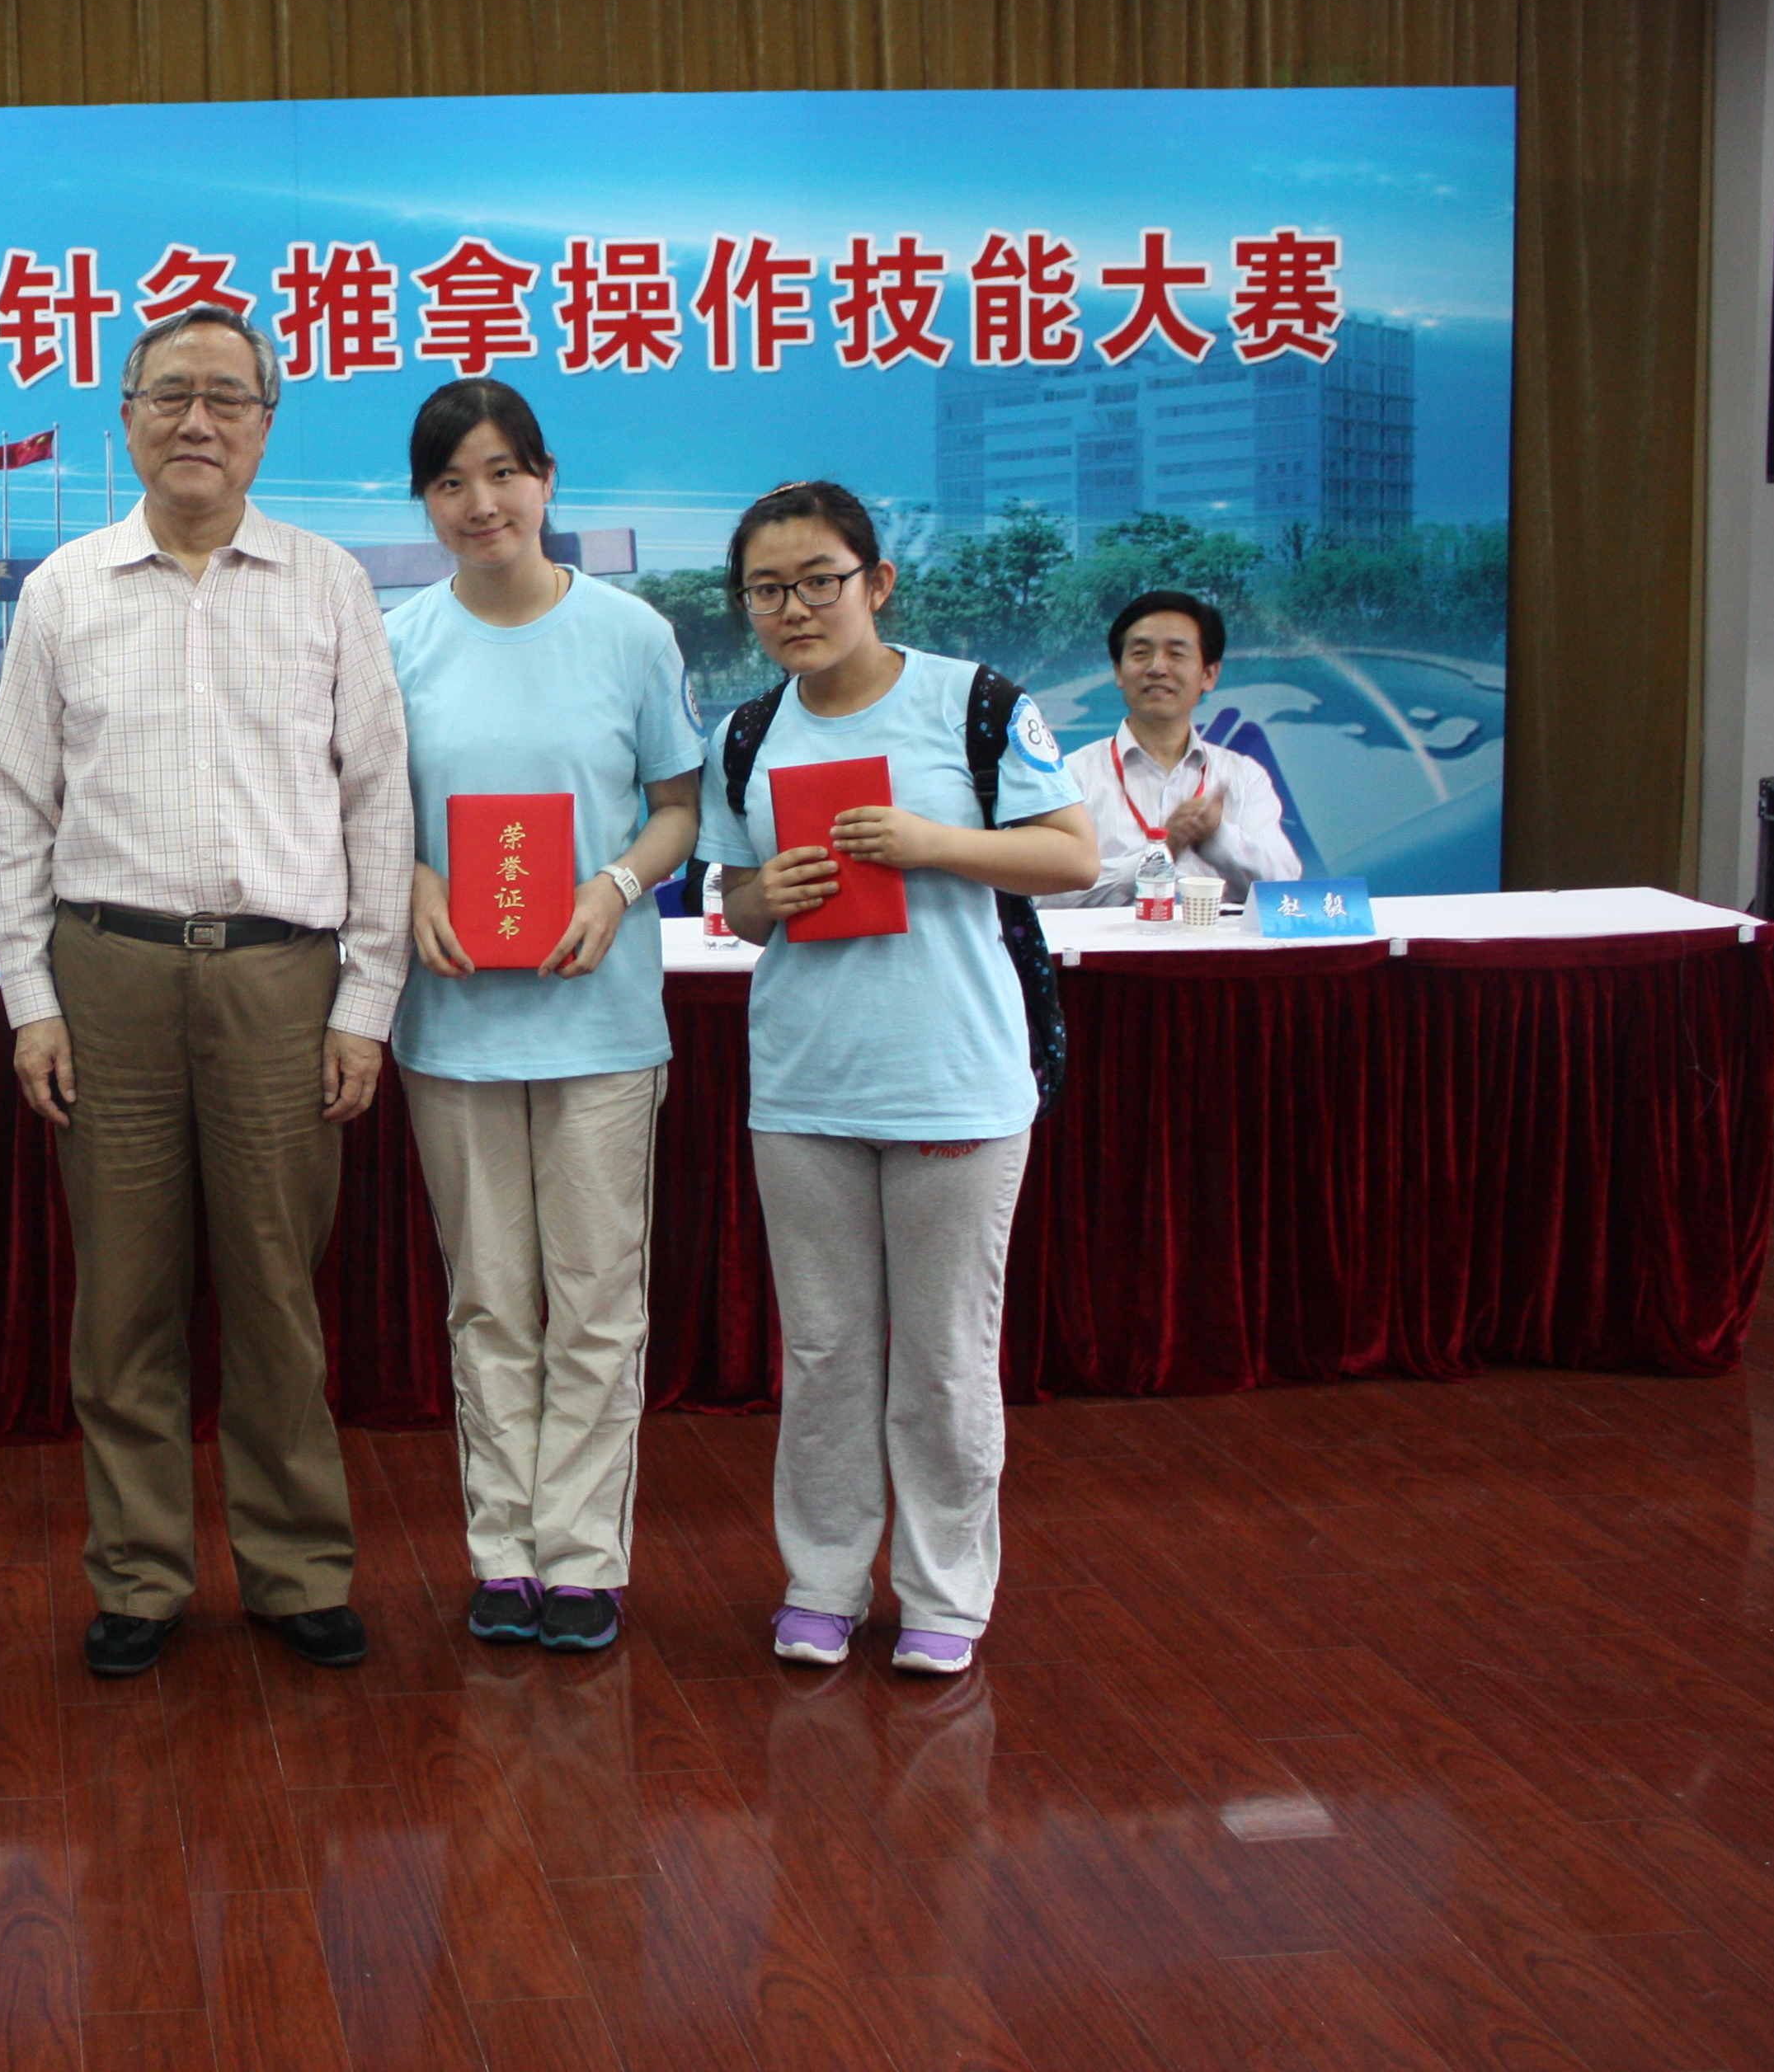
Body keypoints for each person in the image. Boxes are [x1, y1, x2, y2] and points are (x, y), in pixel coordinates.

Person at [0, 303, 412, 1681]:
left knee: (276, 1294)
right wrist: (30, 1000)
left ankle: (296, 1569)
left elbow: (378, 799)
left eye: (228, 396)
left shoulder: (327, 582)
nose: (197, 421)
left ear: (266, 425)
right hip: (107, 972)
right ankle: (141, 1574)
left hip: (283, 979)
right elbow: (13, 804)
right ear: (128, 418)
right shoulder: (64, 588)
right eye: (170, 394)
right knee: (123, 1301)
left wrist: (365, 1006)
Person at [697, 480, 1094, 1680]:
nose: (794, 608)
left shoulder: (974, 704)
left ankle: (943, 1593)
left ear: (877, 582)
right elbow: (738, 905)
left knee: (945, 1358)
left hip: (956, 1080)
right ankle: (822, 1581)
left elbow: (1072, 855)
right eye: (767, 590)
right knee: (823, 1354)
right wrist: (769, 894)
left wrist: (933, 845)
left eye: (819, 580)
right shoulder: (747, 734)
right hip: (806, 1086)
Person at [388, 379, 702, 1657]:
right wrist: (409, 878)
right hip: (454, 1025)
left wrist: (616, 886)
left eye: (504, 472)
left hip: (600, 1025)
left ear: (547, 479)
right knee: (489, 1303)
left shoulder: (630, 634)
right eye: (452, 481)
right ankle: (502, 1553)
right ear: (425, 502)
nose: (483, 502)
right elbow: (366, 812)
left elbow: (678, 808)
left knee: (596, 1298)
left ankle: (581, 1559)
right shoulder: (396, 643)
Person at [1052, 588, 1302, 907]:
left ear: (1209, 674)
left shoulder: (1244, 776)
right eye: (1141, 653)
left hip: (1217, 940)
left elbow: (1285, 890)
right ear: (1118, 671)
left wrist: (1218, 837)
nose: (1157, 668)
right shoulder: (1073, 777)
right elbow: (1043, 895)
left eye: (1176, 654)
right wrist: (1156, 858)